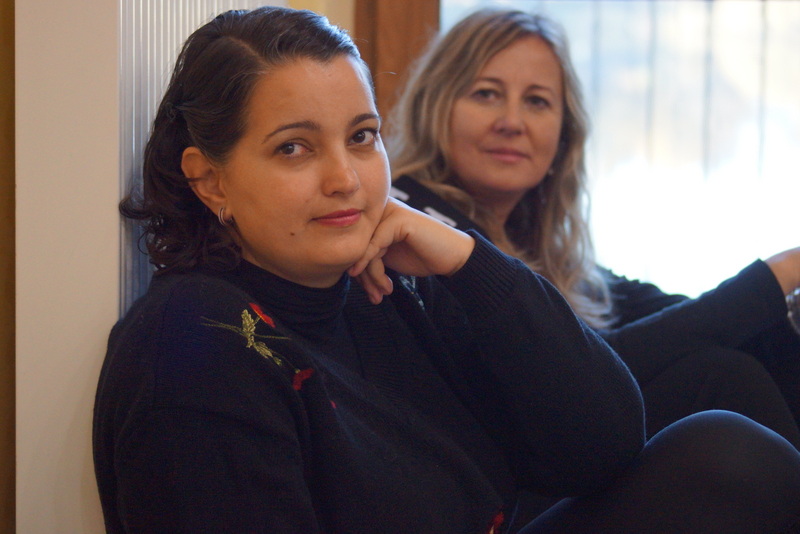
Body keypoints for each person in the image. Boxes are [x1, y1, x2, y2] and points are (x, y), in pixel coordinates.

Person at [93, 6, 800, 533]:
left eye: (362, 137)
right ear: (210, 180)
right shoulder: (199, 350)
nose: (345, 179)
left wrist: (468, 260)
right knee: (727, 450)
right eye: (294, 149)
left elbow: (604, 445)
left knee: (724, 438)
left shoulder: (382, 285)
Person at [387, 7, 800, 447]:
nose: (511, 122)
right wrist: (780, 272)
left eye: (537, 101)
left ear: (564, 135)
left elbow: (679, 322)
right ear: (435, 105)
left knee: (757, 349)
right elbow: (584, 373)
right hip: (497, 477)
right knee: (720, 378)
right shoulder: (412, 225)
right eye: (486, 94)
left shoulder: (544, 252)